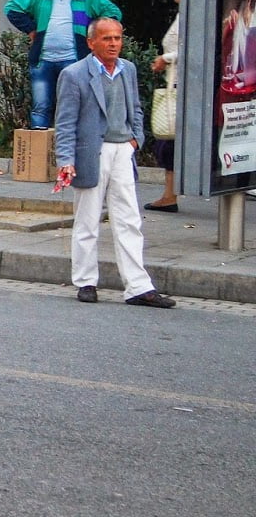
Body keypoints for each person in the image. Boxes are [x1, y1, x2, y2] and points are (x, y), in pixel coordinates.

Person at [54, 17, 175, 308]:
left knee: (129, 219)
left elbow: (135, 107)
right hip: (90, 153)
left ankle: (138, 286)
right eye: (107, 39)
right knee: (87, 219)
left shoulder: (127, 69)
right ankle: (85, 281)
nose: (113, 44)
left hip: (123, 151)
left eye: (117, 38)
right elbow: (65, 122)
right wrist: (66, 160)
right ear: (91, 42)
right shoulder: (74, 74)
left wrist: (136, 140)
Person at [5, 0, 121, 129]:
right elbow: (11, 8)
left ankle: (73, 151)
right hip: (43, 60)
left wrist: (95, 33)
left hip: (74, 62)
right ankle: (38, 152)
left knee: (74, 108)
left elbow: (113, 13)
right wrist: (30, 29)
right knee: (40, 107)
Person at [146, 0, 180, 212]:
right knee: (168, 141)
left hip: (180, 86)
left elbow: (196, 46)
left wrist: (166, 58)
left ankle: (170, 195)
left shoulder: (194, 16)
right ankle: (170, 194)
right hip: (174, 83)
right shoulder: (183, 15)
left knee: (168, 140)